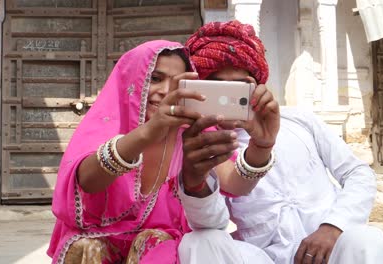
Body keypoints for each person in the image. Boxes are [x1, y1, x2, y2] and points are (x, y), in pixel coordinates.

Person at [178, 20, 383, 264]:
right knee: (198, 242)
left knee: (368, 240)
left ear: (256, 86)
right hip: (263, 257)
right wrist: (198, 181)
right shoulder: (202, 144)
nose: (229, 96)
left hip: (333, 250)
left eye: (239, 86)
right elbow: (211, 224)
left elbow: (358, 173)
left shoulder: (299, 120)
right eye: (218, 87)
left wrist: (333, 227)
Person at [47, 40, 277, 264]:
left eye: (176, 83)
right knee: (87, 247)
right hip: (96, 245)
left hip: (158, 247)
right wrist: (147, 133)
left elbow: (234, 184)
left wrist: (262, 145)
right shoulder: (109, 122)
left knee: (155, 241)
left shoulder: (191, 129)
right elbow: (87, 181)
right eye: (155, 78)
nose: (165, 91)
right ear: (131, 79)